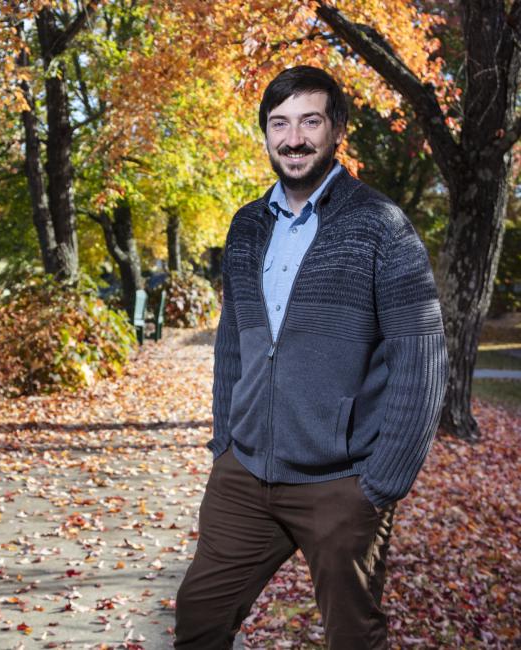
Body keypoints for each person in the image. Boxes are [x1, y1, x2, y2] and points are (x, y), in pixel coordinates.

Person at [174, 66, 448, 649]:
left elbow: (422, 359)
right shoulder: (246, 225)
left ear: (336, 129)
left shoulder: (381, 226)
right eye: (279, 123)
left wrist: (381, 483)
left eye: (309, 121)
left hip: (341, 484)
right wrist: (226, 441)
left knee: (353, 637)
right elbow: (233, 341)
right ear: (266, 134)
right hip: (245, 476)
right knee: (199, 617)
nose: (293, 138)